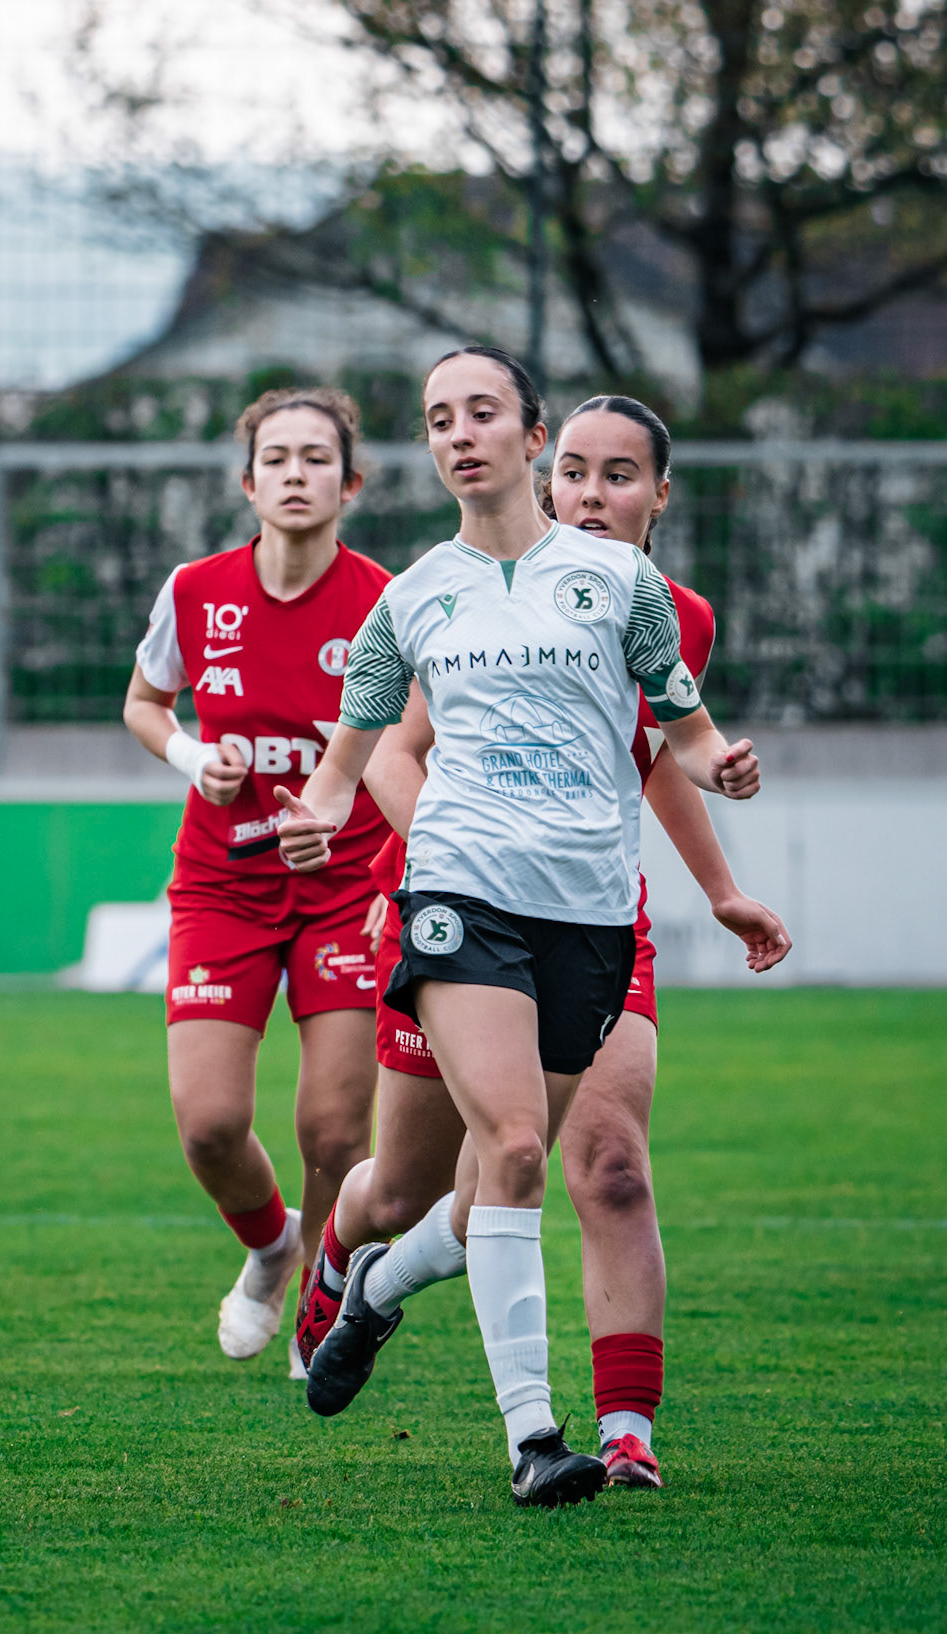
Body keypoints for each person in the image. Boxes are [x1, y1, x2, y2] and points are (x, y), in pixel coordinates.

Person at [276, 345, 763, 1508]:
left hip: (590, 911)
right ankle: (540, 1438)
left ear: (524, 436)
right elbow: (355, 758)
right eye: (440, 417)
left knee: (489, 1176)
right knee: (520, 1152)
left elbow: (682, 737)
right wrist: (322, 813)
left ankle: (379, 1287)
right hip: (457, 894)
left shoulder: (636, 595)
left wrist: (723, 772)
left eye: (482, 412)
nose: (459, 433)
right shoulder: (415, 593)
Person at [124, 387, 391, 1368]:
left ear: (350, 482)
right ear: (247, 483)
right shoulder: (195, 590)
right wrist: (197, 760)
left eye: (315, 457)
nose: (293, 472)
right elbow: (146, 702)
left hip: (350, 886)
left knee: (332, 1127)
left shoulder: (385, 601)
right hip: (222, 884)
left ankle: (322, 1295)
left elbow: (423, 744)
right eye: (275, 457)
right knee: (209, 1126)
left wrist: (363, 831)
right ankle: (272, 1246)